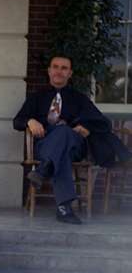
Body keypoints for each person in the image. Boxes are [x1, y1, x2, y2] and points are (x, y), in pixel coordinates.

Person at [13, 55, 121, 224]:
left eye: (64, 68)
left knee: (63, 132)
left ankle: (43, 171)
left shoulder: (79, 98)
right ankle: (64, 208)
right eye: (55, 67)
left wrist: (87, 127)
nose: (59, 71)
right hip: (45, 146)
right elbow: (17, 121)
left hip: (75, 147)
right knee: (60, 152)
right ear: (49, 71)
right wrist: (29, 120)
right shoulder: (37, 97)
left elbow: (104, 123)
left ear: (70, 73)